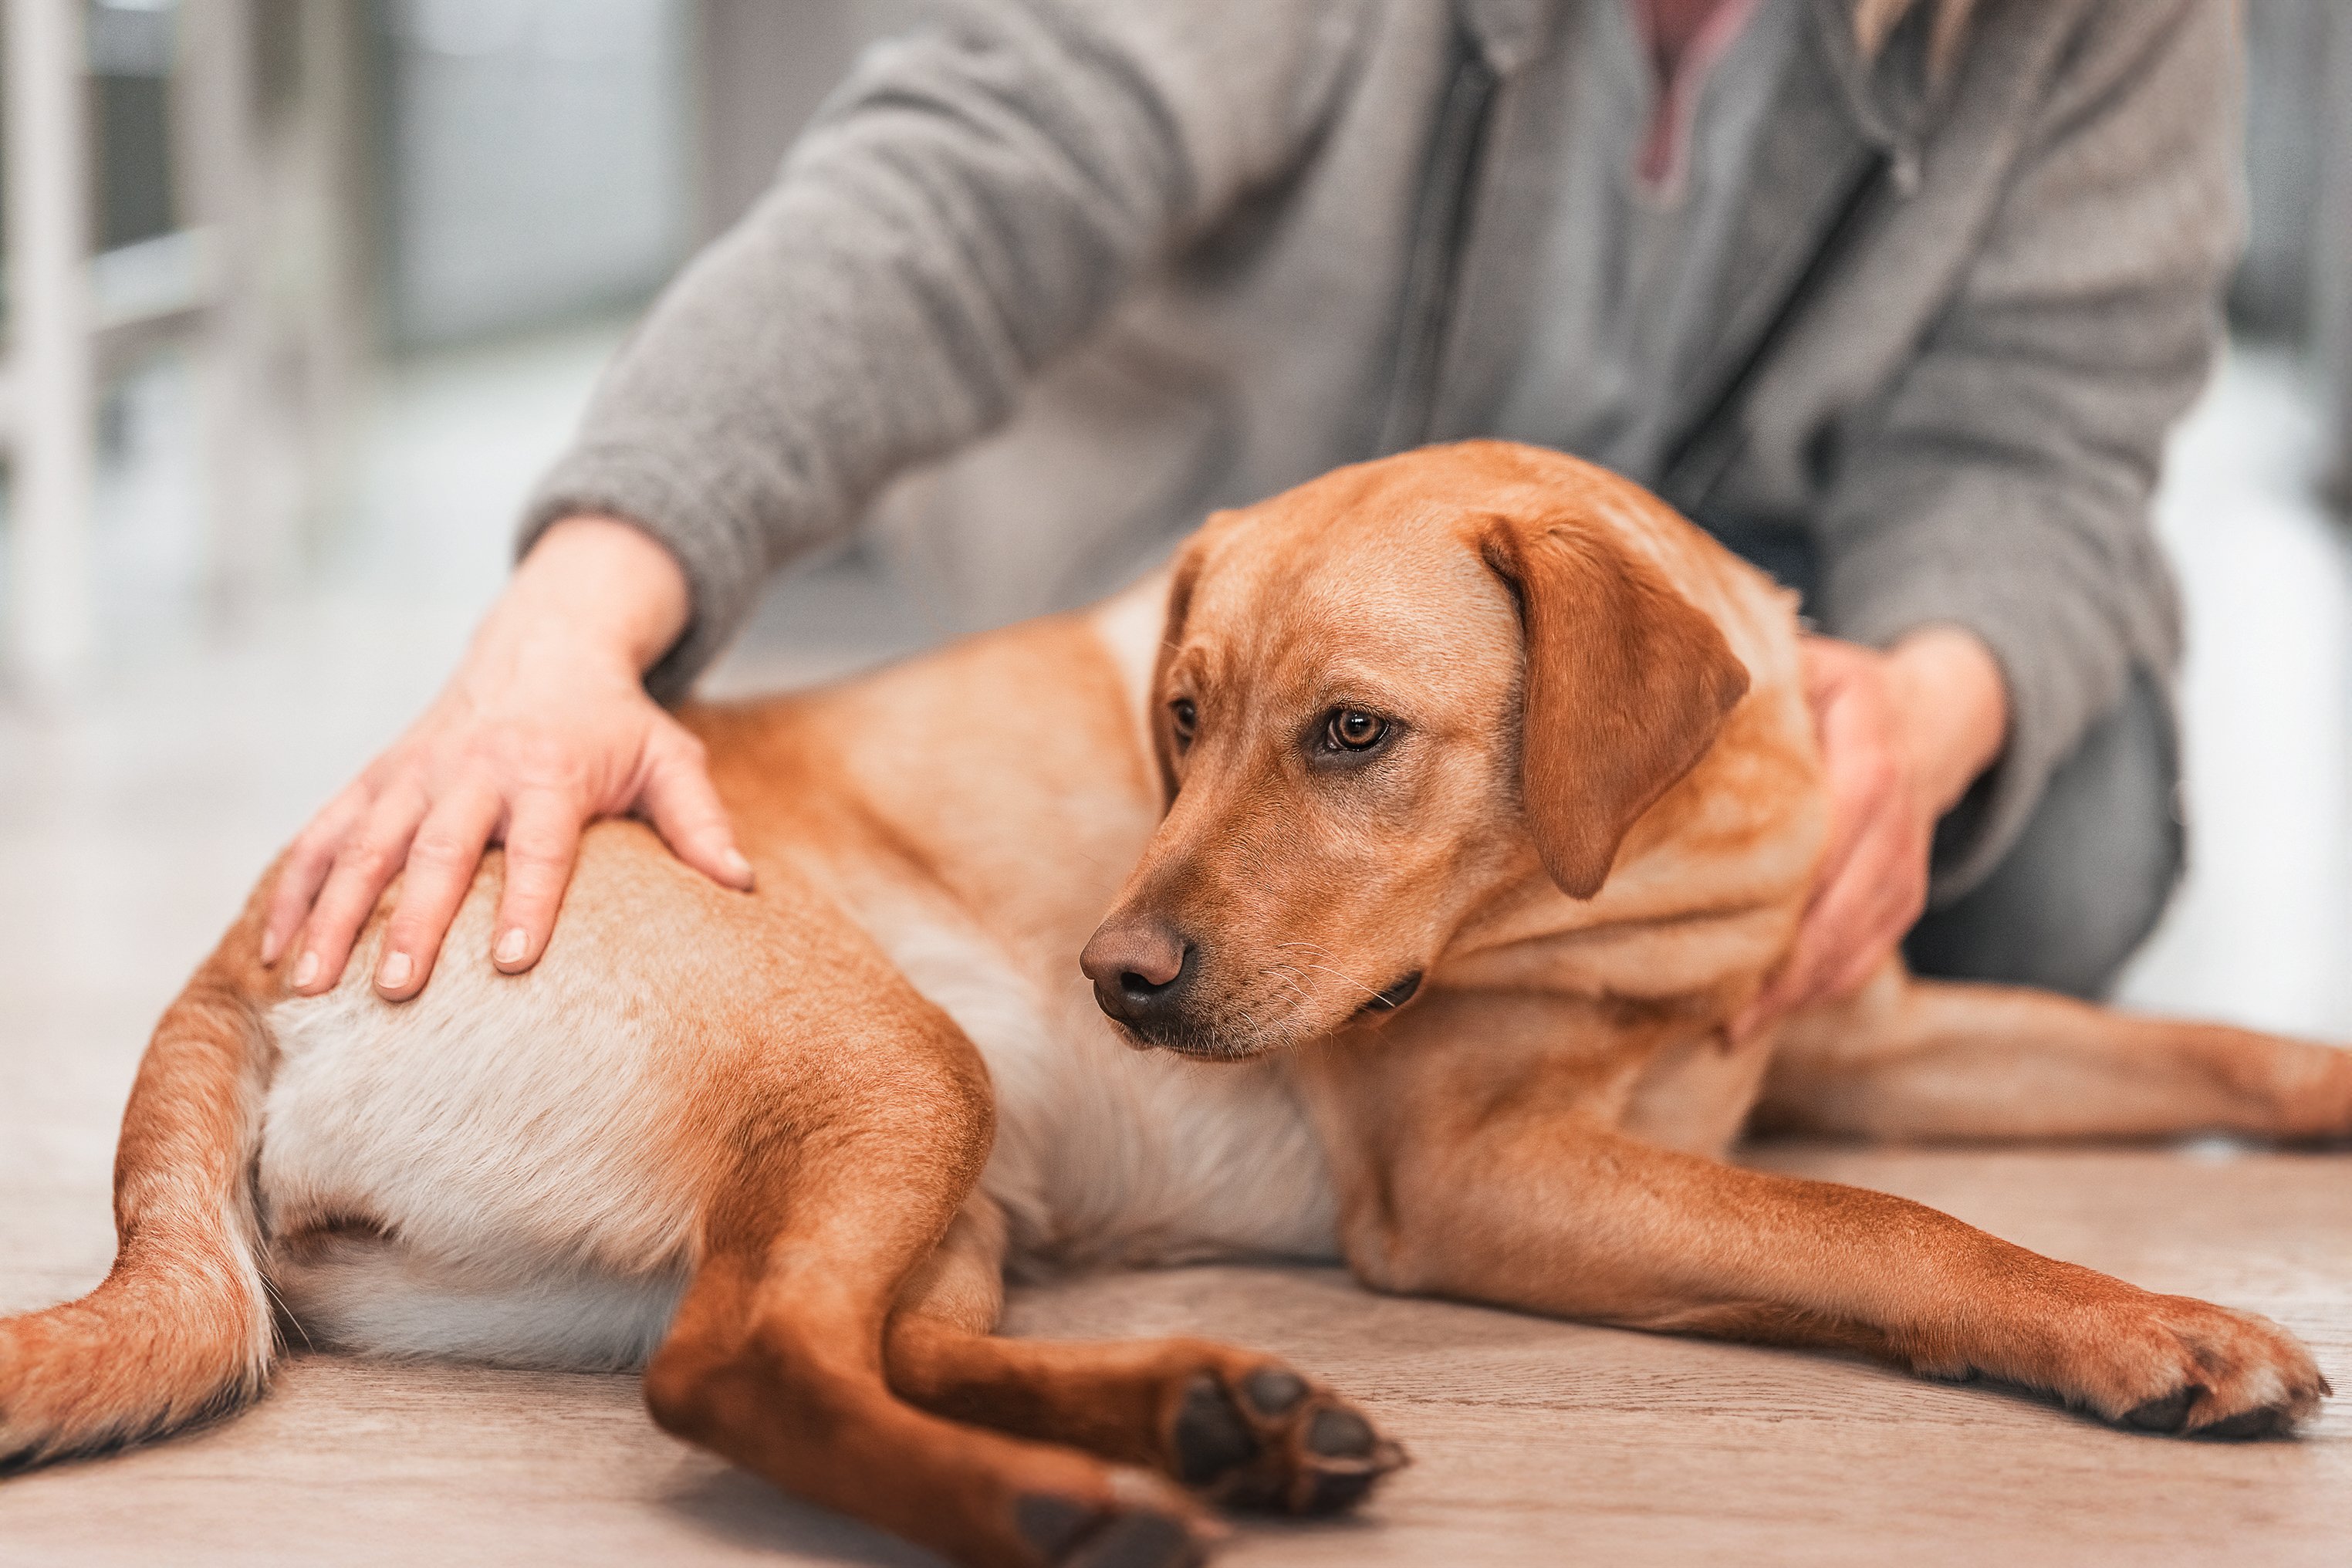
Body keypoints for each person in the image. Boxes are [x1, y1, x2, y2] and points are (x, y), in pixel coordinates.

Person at [261, 0, 2235, 1035]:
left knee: (2056, 858)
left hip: (1752, 576)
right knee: (1213, 830)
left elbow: (2039, 438)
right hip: (1221, 560)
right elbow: (964, 188)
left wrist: (1929, 711)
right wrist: (577, 613)